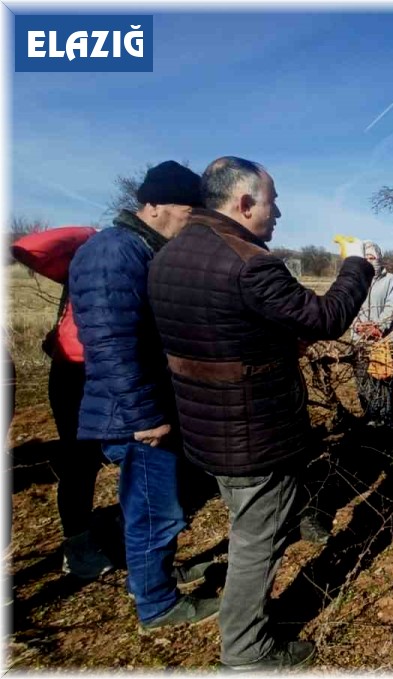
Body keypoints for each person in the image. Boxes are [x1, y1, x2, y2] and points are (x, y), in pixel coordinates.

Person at [147, 156, 373, 670]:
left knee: (247, 526)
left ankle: (242, 636)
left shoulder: (169, 254)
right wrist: (357, 265)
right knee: (258, 542)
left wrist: (271, 345)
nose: (279, 213)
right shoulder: (250, 262)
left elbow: (221, 330)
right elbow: (325, 318)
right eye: (273, 202)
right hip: (253, 433)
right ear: (245, 202)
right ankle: (246, 653)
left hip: (205, 426)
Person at [69, 161, 219, 630]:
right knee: (153, 510)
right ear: (153, 206)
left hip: (145, 406)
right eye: (188, 211)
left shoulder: (141, 249)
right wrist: (145, 415)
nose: (191, 222)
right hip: (133, 414)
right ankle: (157, 604)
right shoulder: (114, 252)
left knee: (159, 503)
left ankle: (154, 576)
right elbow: (110, 343)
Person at [12, 226, 113, 579]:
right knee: (80, 459)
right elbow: (28, 247)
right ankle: (77, 543)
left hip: (117, 369)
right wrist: (92, 234)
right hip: (74, 374)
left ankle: (134, 532)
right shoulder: (88, 258)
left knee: (133, 454)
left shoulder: (140, 261)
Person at [351, 241, 393, 426]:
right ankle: (370, 415)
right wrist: (357, 325)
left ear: (379, 258)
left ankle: (385, 416)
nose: (369, 261)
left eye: (373, 258)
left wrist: (378, 326)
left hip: (383, 339)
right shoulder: (356, 280)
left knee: (384, 377)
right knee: (363, 377)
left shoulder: (390, 280)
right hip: (360, 339)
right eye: (366, 258)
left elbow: (390, 306)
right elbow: (350, 306)